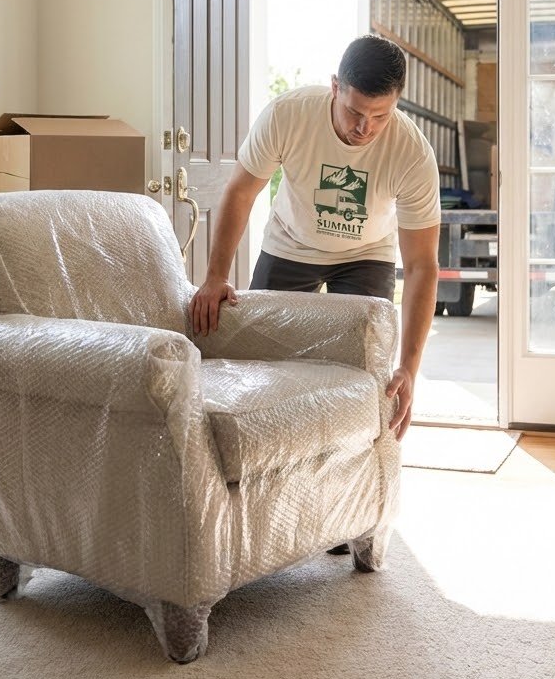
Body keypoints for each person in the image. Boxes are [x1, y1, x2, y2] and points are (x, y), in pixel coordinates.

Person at [189, 33, 441, 443]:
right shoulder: (288, 115)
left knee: (367, 373)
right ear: (335, 86)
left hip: (366, 253)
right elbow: (241, 192)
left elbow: (421, 265)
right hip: (290, 242)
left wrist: (409, 367)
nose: (365, 128)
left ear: (396, 102)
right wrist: (215, 276)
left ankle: (349, 462)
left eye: (381, 116)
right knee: (263, 360)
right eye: (355, 111)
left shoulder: (412, 153)